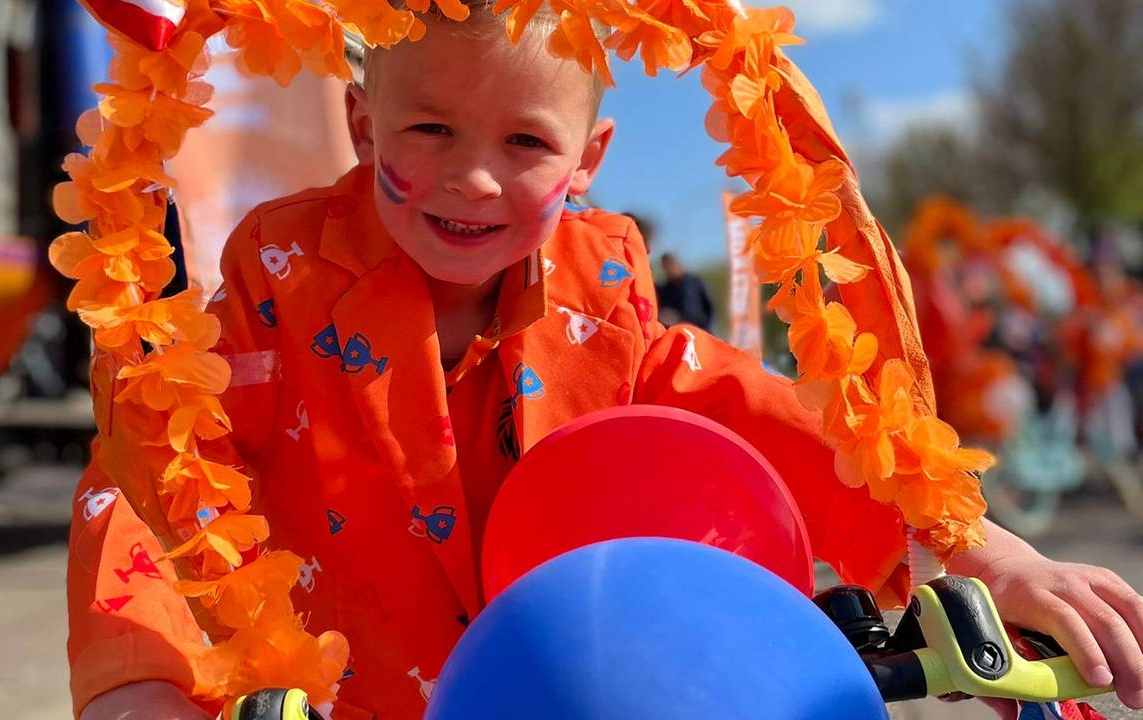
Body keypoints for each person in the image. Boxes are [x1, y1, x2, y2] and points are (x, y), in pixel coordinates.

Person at [69, 4, 1143, 719]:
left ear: (588, 160)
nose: (474, 181)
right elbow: (155, 463)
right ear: (361, 122)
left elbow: (758, 418)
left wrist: (974, 548)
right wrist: (142, 679)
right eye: (429, 129)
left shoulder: (606, 286)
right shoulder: (279, 273)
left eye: (524, 144)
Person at [655, 251, 714, 330]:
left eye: (671, 264)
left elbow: (709, 308)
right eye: (666, 267)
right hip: (676, 333)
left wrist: (706, 329)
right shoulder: (664, 289)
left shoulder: (695, 283)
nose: (670, 269)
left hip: (699, 331)